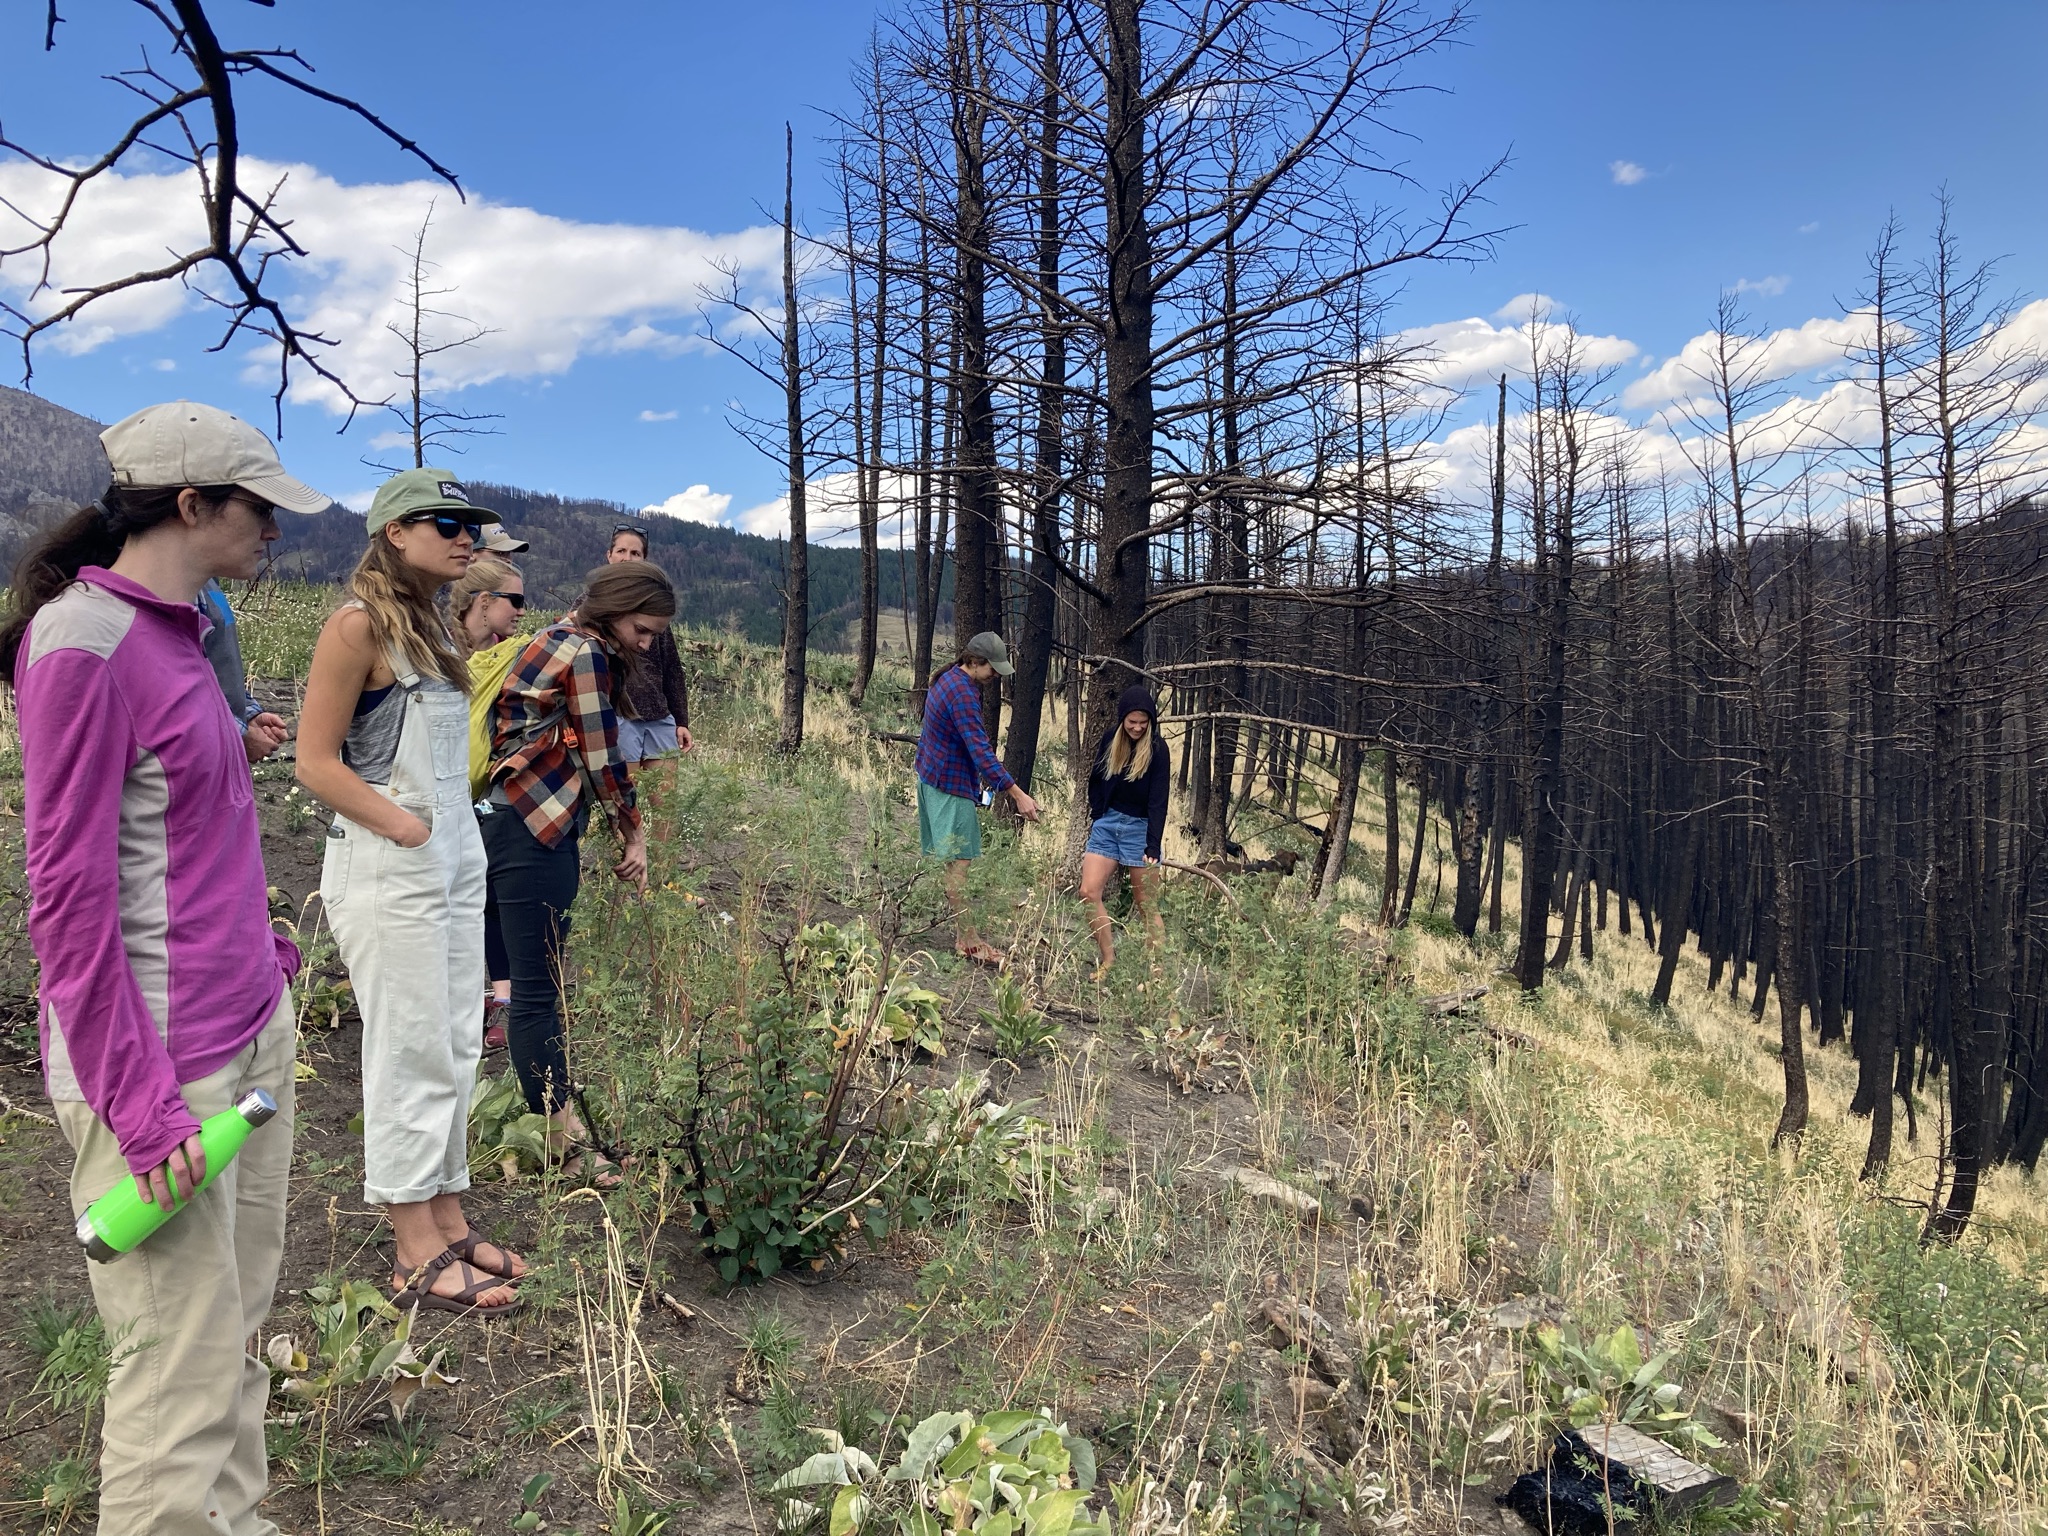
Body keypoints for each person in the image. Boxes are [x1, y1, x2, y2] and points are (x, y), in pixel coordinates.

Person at [0, 400, 325, 1535]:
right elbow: (72, 902)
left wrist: (267, 959)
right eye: (258, 508)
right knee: (172, 1380)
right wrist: (140, 1113)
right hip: (158, 1072)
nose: (275, 530)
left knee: (232, 1337)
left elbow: (198, 831)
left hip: (242, 1039)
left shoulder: (182, 632)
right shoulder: (83, 647)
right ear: (191, 506)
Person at [297, 468, 525, 1318]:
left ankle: (448, 1217)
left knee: (455, 1042)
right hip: (393, 867)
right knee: (408, 1046)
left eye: (468, 524)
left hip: (448, 861)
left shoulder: (429, 627)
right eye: (443, 522)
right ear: (393, 532)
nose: (464, 535)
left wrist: (449, 842)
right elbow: (314, 761)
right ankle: (411, 1248)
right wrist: (404, 828)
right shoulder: (358, 627)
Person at [483, 560, 673, 1185]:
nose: (647, 644)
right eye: (643, 630)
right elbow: (602, 753)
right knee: (540, 990)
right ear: (614, 610)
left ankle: (553, 1122)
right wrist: (633, 827)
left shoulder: (548, 637)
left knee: (516, 979)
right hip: (536, 827)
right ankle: (566, 1141)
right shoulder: (586, 652)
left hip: (501, 818)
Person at [914, 631, 1041, 965]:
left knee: (955, 862)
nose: (996, 675)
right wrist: (1016, 794)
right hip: (948, 785)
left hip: (937, 778)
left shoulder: (949, 679)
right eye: (992, 668)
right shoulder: (962, 693)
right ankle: (968, 941)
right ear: (973, 661)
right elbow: (981, 753)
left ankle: (964, 935)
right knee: (961, 863)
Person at [449, 554, 526, 1052]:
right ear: (483, 601)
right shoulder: (435, 649)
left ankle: (500, 997)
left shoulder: (509, 656)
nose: (522, 610)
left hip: (479, 792)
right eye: (514, 600)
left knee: (488, 894)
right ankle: (459, 997)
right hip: (430, 791)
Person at [1082, 685, 1171, 977]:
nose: (1137, 727)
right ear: (1122, 720)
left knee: (1146, 904)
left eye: (1143, 722)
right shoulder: (1111, 739)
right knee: (1088, 891)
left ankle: (1157, 974)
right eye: (1131, 722)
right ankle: (1108, 960)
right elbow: (1095, 778)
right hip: (1108, 824)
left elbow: (1159, 801)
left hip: (1140, 830)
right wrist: (1098, 813)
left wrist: (1153, 847)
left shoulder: (1158, 750)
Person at [603, 523, 694, 762]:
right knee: (626, 794)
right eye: (621, 551)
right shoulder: (591, 604)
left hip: (658, 714)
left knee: (666, 798)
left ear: (644, 560)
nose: (627, 558)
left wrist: (680, 720)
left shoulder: (654, 606)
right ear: (609, 556)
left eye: (635, 553)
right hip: (617, 715)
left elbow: (671, 667)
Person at [199, 578, 291, 762]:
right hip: (203, 757)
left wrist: (247, 713)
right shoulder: (181, 590)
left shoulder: (207, 583)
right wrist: (239, 734)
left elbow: (219, 662)